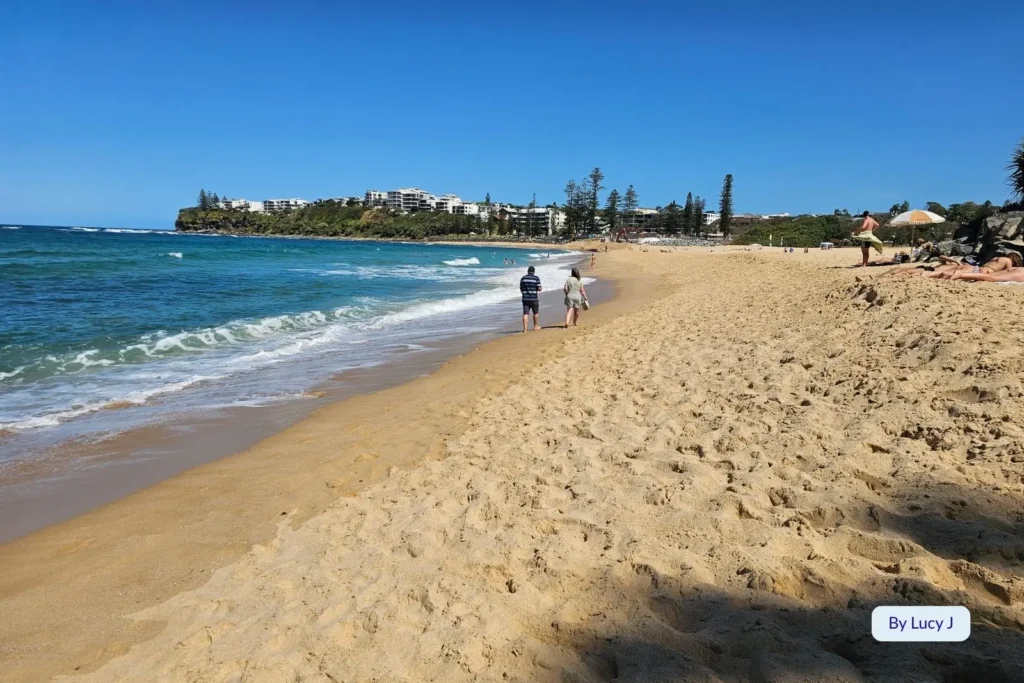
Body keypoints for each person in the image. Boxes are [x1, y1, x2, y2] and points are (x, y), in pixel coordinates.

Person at [519, 265, 542, 332]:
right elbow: (539, 288)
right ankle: (535, 326)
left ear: (528, 271)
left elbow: (521, 288)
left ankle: (525, 329)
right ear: (534, 271)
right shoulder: (536, 278)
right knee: (535, 313)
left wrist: (524, 293)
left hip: (525, 298)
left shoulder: (523, 278)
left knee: (525, 313)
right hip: (534, 298)